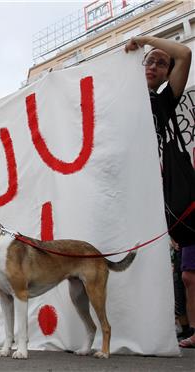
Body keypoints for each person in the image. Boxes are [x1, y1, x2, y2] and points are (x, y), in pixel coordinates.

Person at [125, 36, 193, 348]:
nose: (152, 66)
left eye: (160, 63)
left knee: (175, 271)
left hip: (164, 194)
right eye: (148, 61)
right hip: (130, 192)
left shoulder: (163, 102)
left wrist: (144, 40)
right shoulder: (120, 98)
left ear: (167, 74)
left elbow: (185, 52)